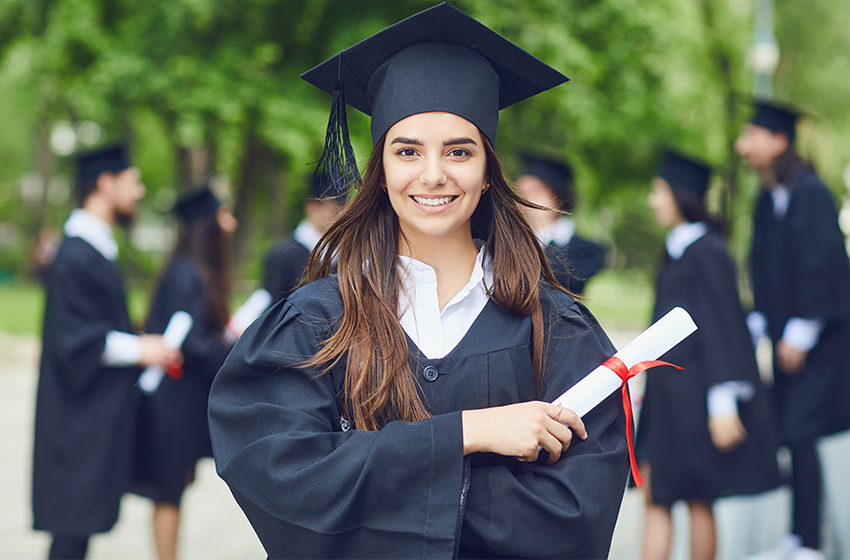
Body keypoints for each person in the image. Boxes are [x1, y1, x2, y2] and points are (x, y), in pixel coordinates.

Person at [208, 3, 630, 559]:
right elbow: (281, 480)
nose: (433, 174)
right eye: (407, 151)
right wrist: (468, 434)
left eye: (459, 151)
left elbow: (576, 518)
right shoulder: (316, 323)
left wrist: (372, 483)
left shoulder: (555, 327)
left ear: (486, 173)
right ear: (381, 170)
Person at [32, 145, 182, 560]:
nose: (139, 191)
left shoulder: (92, 249)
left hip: (89, 413)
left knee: (78, 529)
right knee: (70, 531)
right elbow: (76, 338)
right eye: (133, 181)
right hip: (75, 417)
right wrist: (142, 348)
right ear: (105, 183)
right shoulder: (77, 253)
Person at [636, 151, 782, 560]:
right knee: (659, 496)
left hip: (695, 403)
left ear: (682, 195)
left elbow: (724, 329)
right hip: (668, 401)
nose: (653, 200)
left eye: (659, 190)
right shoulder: (679, 249)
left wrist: (722, 404)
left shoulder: (706, 251)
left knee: (695, 498)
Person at [736, 101, 850, 560]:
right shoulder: (769, 197)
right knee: (790, 429)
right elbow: (765, 268)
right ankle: (802, 536)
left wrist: (799, 334)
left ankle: (810, 542)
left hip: (820, 344)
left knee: (802, 429)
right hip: (787, 342)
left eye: (752, 136)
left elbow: (824, 269)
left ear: (779, 141)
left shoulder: (811, 193)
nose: (742, 146)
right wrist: (761, 323)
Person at [131, 185, 238, 560]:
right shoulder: (189, 274)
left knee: (174, 486)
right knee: (170, 488)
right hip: (173, 400)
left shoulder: (186, 270)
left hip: (179, 398)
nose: (231, 222)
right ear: (207, 225)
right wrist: (231, 349)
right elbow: (190, 342)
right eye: (224, 214)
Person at [516, 154, 607, 294]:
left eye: (535, 192)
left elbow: (562, 279)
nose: (526, 200)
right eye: (522, 192)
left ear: (557, 195)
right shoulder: (516, 240)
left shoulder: (586, 250)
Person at [263, 176, 344, 304]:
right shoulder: (281, 256)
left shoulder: (347, 256)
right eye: (333, 209)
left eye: (344, 208)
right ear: (312, 206)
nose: (340, 214)